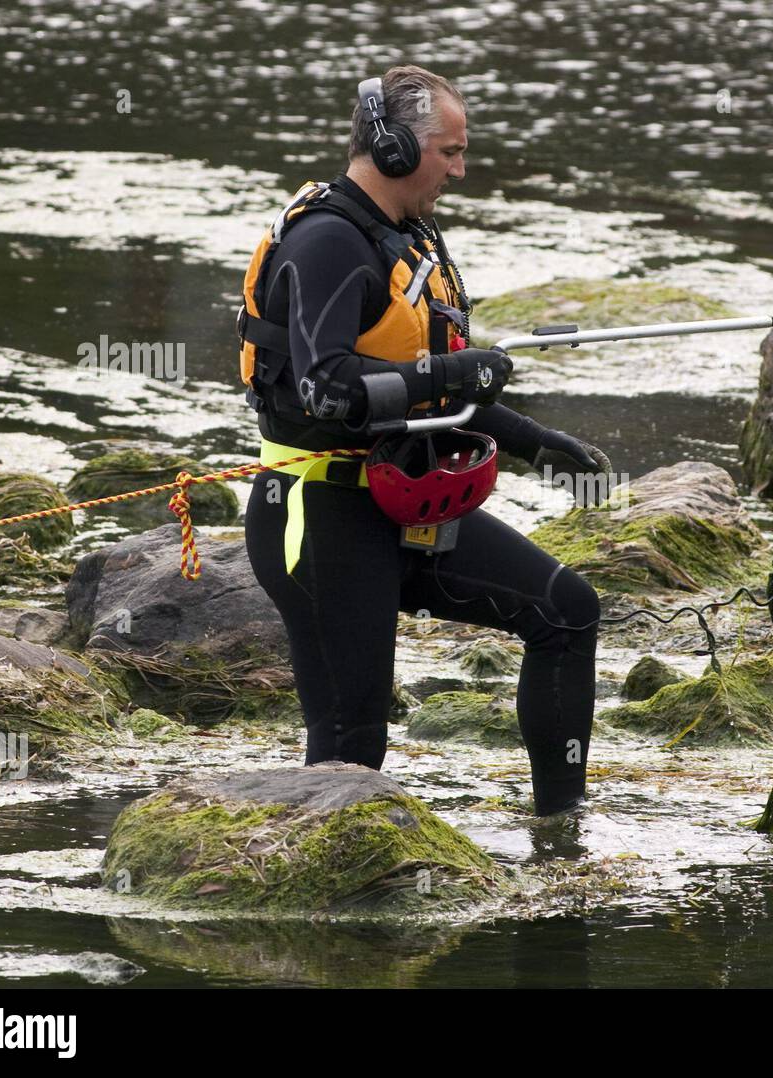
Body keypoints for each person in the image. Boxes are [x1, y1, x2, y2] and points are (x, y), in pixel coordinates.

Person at [240, 64, 607, 816]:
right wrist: (454, 371)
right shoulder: (329, 243)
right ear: (396, 147)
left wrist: (534, 440)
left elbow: (424, 386)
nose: (461, 170)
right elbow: (327, 389)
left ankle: (561, 832)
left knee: (566, 611)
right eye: (451, 151)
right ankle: (314, 910)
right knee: (352, 743)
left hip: (400, 504)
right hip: (319, 515)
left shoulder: (406, 236)